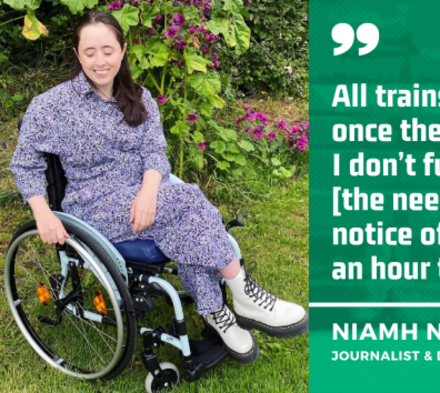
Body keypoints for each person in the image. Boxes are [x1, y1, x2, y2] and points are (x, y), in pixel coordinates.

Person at [9, 10, 308, 364]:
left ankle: (217, 313)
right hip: (94, 205)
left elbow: (154, 152)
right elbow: (24, 163)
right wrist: (41, 212)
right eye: (89, 52)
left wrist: (149, 192)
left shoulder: (140, 97)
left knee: (186, 221)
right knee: (188, 199)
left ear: (122, 51)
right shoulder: (52, 106)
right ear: (77, 55)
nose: (99, 61)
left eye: (107, 50)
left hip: (149, 194)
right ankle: (243, 294)